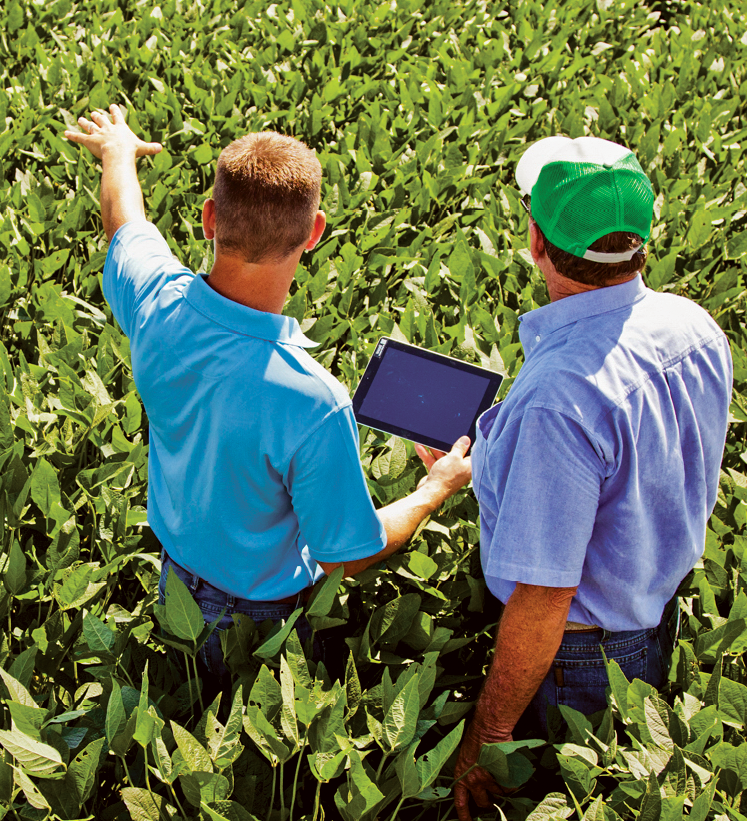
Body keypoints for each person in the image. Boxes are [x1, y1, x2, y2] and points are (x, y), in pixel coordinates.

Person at [63, 105, 472, 683]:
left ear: (208, 218)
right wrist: (434, 489)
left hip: (174, 580)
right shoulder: (312, 399)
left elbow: (124, 223)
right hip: (260, 622)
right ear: (315, 233)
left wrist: (117, 153)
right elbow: (346, 554)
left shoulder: (156, 302)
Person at [449, 135, 734, 821]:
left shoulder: (558, 396)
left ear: (536, 241)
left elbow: (546, 594)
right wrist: (492, 459)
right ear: (641, 241)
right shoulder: (692, 327)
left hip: (576, 659)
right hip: (652, 613)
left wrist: (486, 734)